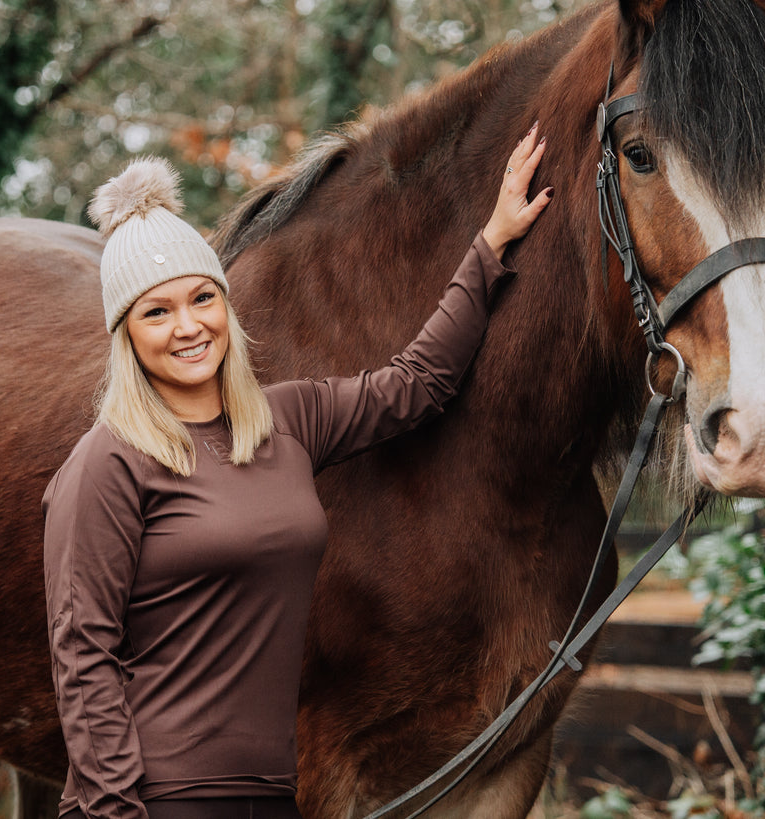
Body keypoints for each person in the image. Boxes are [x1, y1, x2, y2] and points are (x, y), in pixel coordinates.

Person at [42, 126, 550, 819]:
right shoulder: (108, 463)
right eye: (155, 311)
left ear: (226, 304)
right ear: (126, 334)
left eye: (202, 298)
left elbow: (419, 382)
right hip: (154, 797)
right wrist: (112, 807)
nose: (187, 326)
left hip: (271, 791)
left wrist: (490, 244)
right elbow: (83, 651)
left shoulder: (286, 421)